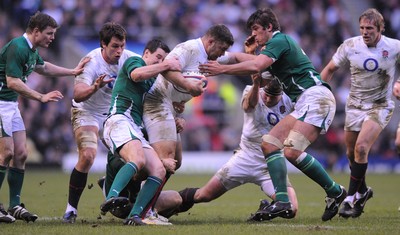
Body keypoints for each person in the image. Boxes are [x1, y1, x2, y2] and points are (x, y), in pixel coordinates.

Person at [199, 8, 346, 222]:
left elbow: (257, 64)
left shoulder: (280, 40)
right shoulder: (274, 53)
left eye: (257, 30)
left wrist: (221, 69)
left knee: (291, 151)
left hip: (315, 98)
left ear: (269, 27)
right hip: (306, 101)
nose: (254, 35)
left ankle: (333, 191)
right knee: (270, 144)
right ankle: (290, 200)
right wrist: (226, 56)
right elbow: (255, 68)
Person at [158, 73, 299, 221]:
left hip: (269, 166)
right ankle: (165, 206)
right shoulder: (251, 91)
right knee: (204, 195)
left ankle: (264, 210)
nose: (269, 99)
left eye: (273, 97)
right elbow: (248, 105)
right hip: (244, 159)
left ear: (281, 93)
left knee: (291, 209)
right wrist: (257, 85)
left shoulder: (289, 102)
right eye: (267, 95)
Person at [0, 11, 88, 223]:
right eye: (49, 33)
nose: (52, 37)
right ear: (36, 31)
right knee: (6, 153)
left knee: (21, 153)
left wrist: (72, 71)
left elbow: (43, 67)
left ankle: (14, 205)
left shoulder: (31, 50)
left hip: (11, 105)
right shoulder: (17, 47)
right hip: (1, 103)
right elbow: (12, 81)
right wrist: (40, 96)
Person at [141, 25, 234, 207]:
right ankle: (145, 208)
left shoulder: (206, 58)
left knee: (176, 161)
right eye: (222, 49)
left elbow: (184, 83)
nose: (222, 54)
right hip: (157, 102)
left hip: (169, 107)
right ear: (210, 41)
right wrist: (188, 86)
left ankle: (130, 184)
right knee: (166, 160)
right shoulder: (189, 48)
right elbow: (165, 68)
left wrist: (180, 104)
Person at [320, 8, 400, 218]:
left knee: (362, 147)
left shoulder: (394, 46)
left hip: (380, 105)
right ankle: (363, 192)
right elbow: (329, 69)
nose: (365, 32)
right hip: (354, 105)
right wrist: (319, 91)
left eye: (370, 28)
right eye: (362, 28)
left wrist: (399, 82)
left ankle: (350, 198)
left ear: (380, 28)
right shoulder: (350, 45)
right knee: (350, 154)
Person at [62, 22, 141, 223]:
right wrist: (95, 87)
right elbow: (78, 95)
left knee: (131, 157)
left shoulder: (130, 59)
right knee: (88, 156)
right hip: (87, 111)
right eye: (114, 46)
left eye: (122, 46)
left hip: (113, 114)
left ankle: (112, 187)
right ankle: (71, 209)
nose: (119, 50)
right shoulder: (90, 61)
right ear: (102, 44)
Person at [100, 38, 181, 226]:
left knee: (159, 170)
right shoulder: (134, 61)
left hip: (134, 127)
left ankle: (136, 215)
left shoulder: (153, 79)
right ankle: (111, 196)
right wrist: (167, 64)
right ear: (146, 53)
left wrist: (176, 107)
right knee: (137, 158)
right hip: (118, 119)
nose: (160, 62)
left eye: (164, 59)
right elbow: (136, 75)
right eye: (158, 57)